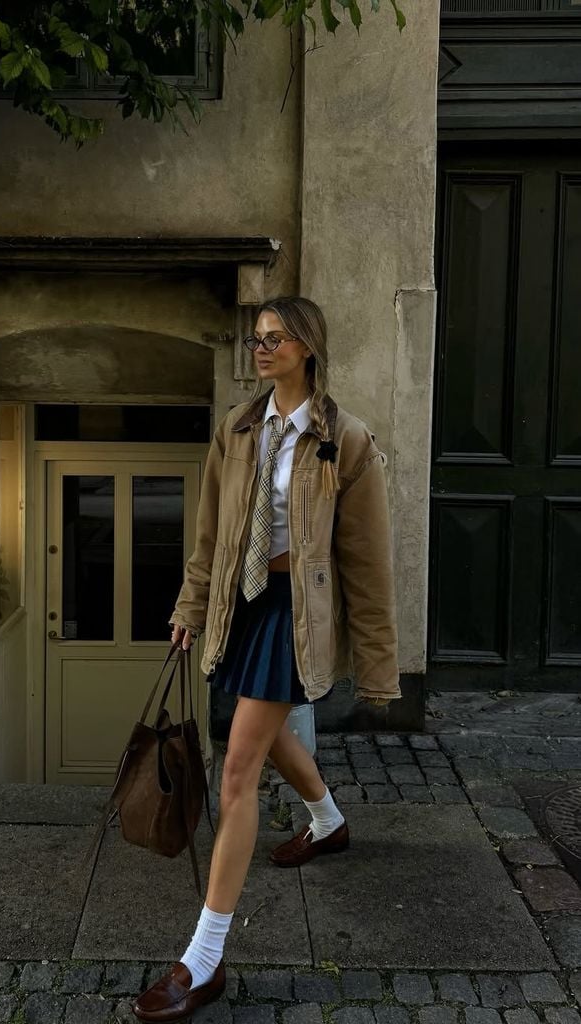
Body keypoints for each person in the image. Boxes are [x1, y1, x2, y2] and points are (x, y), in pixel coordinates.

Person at [131, 295, 401, 1023]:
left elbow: (368, 565)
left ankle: (203, 958)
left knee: (236, 770)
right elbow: (211, 533)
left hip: (296, 612)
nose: (260, 348)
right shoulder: (239, 427)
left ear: (306, 347)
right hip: (241, 604)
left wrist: (378, 667)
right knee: (263, 726)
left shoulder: (343, 440)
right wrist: (192, 607)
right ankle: (326, 820)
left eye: (274, 338)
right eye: (256, 338)